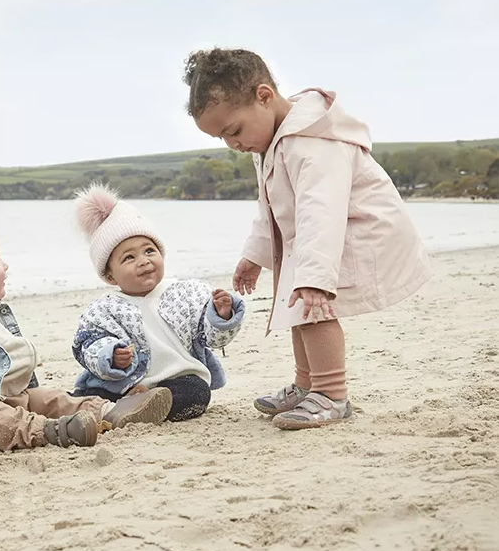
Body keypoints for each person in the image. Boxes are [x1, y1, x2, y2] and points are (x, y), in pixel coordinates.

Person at [183, 47, 432, 429]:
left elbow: (322, 210)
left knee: (315, 310)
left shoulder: (311, 141)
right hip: (321, 235)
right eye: (222, 138)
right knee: (297, 308)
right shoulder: (273, 140)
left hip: (358, 229)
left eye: (234, 130)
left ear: (264, 97)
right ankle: (307, 386)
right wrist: (254, 256)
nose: (233, 143)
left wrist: (315, 276)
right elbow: (270, 206)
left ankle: (331, 395)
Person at [0, 215, 172, 451]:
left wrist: (26, 385)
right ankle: (46, 432)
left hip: (7, 400)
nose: (5, 265)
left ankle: (109, 412)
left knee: (45, 398)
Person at [70, 184, 244, 421]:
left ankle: (146, 405)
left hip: (175, 380)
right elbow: (86, 344)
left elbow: (211, 338)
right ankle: (118, 407)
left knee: (197, 392)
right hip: (121, 386)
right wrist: (110, 355)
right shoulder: (103, 309)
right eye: (129, 257)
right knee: (89, 396)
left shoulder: (187, 292)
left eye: (149, 251)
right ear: (110, 276)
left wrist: (222, 315)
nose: (143, 261)